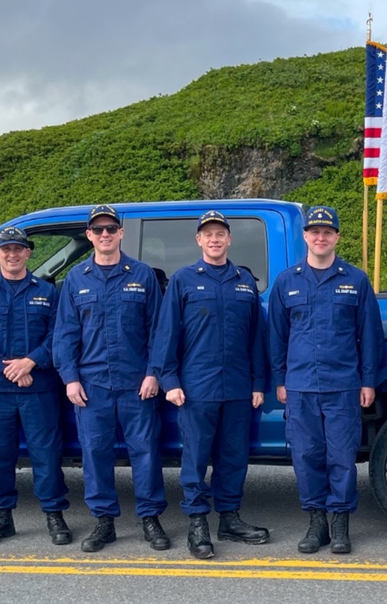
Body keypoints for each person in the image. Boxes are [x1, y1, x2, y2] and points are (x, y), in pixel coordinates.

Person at [151, 210, 270, 559]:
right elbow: (166, 334)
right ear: (199, 240)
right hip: (196, 387)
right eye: (208, 234)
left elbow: (256, 340)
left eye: (221, 233)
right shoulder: (184, 281)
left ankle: (230, 519)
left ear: (229, 239)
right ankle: (198, 524)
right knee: (196, 458)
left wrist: (258, 382)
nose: (215, 239)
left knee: (234, 457)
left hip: (237, 386)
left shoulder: (244, 282)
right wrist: (169, 380)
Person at [53, 205, 171, 553]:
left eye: (111, 228)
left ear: (121, 233)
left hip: (137, 384)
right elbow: (65, 334)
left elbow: (158, 331)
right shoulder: (76, 278)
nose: (105, 234)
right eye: (98, 229)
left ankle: (150, 518)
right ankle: (104, 522)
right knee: (95, 454)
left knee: (145, 453)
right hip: (92, 386)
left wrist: (154, 373)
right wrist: (70, 379)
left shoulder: (143, 274)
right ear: (89, 235)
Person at [268, 205, 384, 554]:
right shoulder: (287, 281)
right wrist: (280, 379)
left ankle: (340, 523)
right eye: (314, 231)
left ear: (337, 237)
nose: (320, 237)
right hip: (300, 386)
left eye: (327, 232)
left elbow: (370, 336)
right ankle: (316, 522)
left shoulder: (355, 280)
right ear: (305, 236)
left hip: (343, 386)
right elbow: (276, 335)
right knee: (306, 456)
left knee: (341, 457)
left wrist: (368, 381)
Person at [0, 226, 71, 547]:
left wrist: (31, 362)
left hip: (39, 389)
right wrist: (11, 369)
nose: (12, 254)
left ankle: (54, 514)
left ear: (28, 253)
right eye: (6, 249)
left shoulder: (48, 293)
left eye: (19, 249)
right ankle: (2, 517)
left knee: (47, 455)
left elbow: (58, 336)